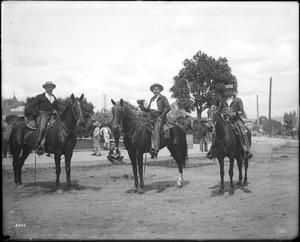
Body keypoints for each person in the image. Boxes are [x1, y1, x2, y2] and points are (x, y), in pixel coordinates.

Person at [206, 84, 253, 160]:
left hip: (235, 120)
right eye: (226, 91)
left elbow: (241, 111)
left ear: (232, 91)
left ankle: (246, 150)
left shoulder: (238, 100)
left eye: (229, 91)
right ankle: (212, 150)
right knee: (215, 133)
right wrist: (214, 108)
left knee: (242, 131)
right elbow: (218, 110)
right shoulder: (223, 101)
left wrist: (235, 113)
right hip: (225, 120)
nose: (227, 92)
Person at [138, 83, 171, 159]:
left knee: (155, 132)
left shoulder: (163, 98)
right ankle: (145, 147)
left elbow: (168, 108)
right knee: (143, 130)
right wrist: (142, 106)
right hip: (150, 117)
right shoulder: (152, 99)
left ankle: (155, 150)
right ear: (152, 91)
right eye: (154, 89)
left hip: (158, 117)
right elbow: (148, 110)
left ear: (159, 90)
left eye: (157, 89)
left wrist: (161, 116)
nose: (155, 91)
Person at [27, 81, 59, 155]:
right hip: (43, 116)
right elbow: (31, 106)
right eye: (48, 87)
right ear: (45, 88)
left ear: (53, 88)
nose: (49, 89)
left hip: (53, 116)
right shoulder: (40, 97)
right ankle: (38, 145)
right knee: (43, 128)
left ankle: (54, 146)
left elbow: (57, 108)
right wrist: (36, 114)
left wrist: (56, 111)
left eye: (51, 87)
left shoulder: (54, 98)